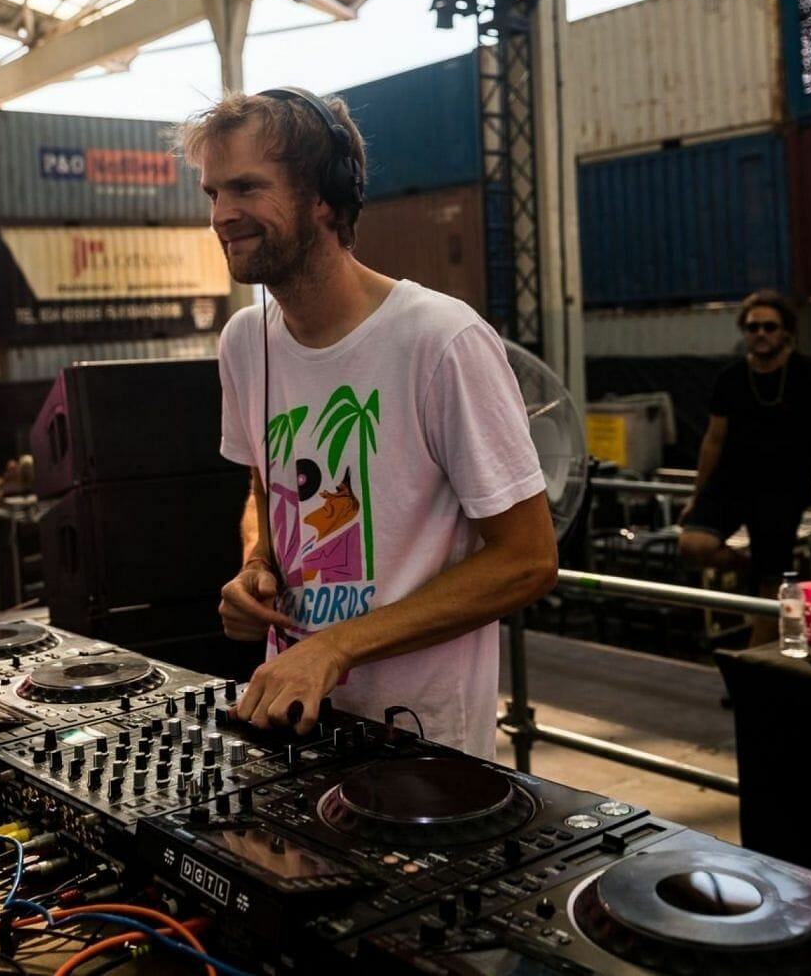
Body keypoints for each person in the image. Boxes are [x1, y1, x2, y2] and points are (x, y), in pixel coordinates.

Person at [174, 88, 557, 758]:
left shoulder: (442, 340)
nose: (222, 216)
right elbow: (268, 487)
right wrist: (256, 561)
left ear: (323, 196)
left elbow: (527, 560)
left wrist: (336, 646)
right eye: (213, 193)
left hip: (426, 752)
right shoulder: (243, 341)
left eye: (245, 188)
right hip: (291, 728)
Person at [680, 290, 811, 639]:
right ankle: (748, 569)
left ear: (785, 331)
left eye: (769, 327)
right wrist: (697, 495)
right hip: (731, 482)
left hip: (783, 489)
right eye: (752, 327)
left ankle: (758, 662)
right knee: (694, 545)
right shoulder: (731, 378)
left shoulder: (809, 375)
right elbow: (713, 440)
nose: (760, 334)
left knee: (772, 580)